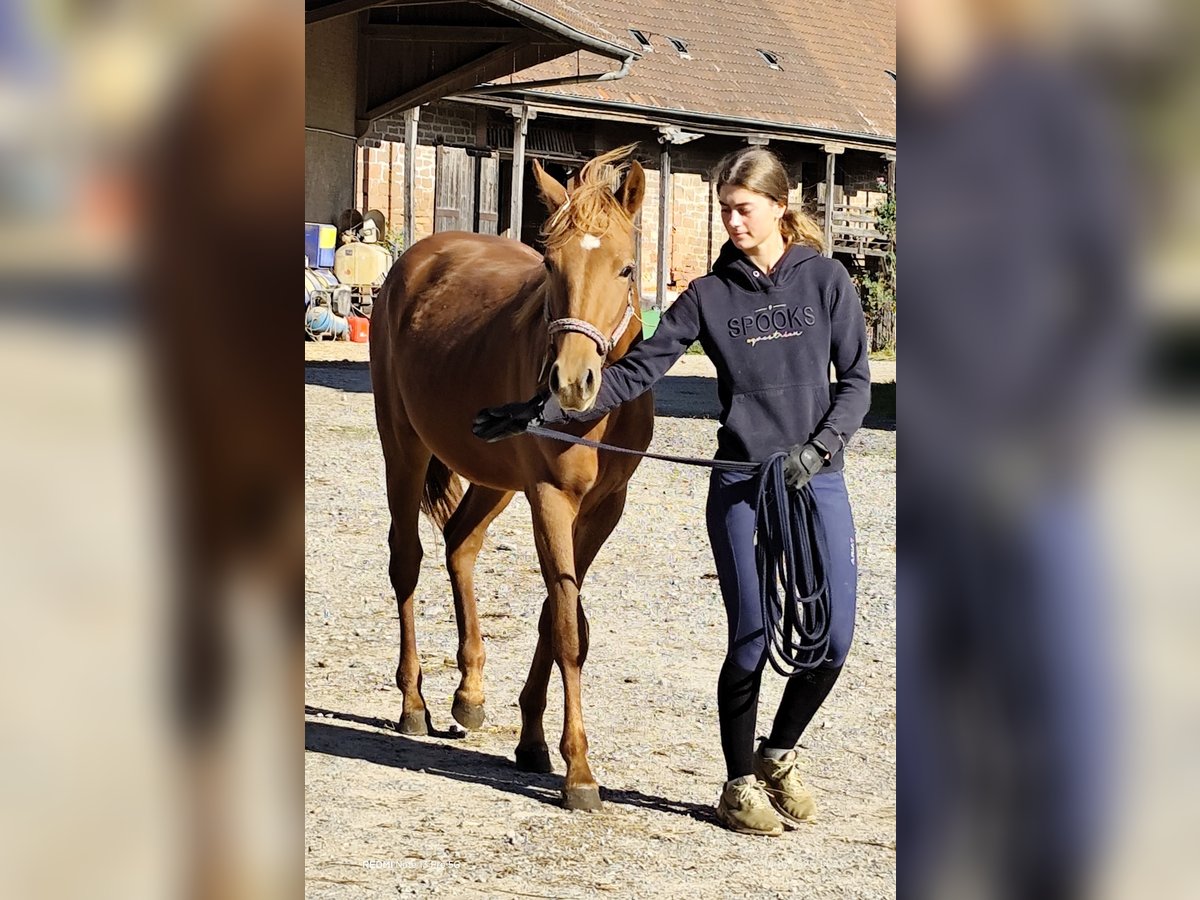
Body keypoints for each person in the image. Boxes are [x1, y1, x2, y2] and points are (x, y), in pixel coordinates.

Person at [474, 147, 871, 836]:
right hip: (742, 481)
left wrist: (820, 449)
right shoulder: (708, 296)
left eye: (743, 209)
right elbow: (633, 373)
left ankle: (778, 752)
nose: (732, 222)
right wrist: (542, 411)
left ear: (781, 206)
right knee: (750, 637)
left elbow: (859, 381)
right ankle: (739, 780)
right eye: (724, 211)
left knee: (830, 640)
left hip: (815, 478)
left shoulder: (826, 282)